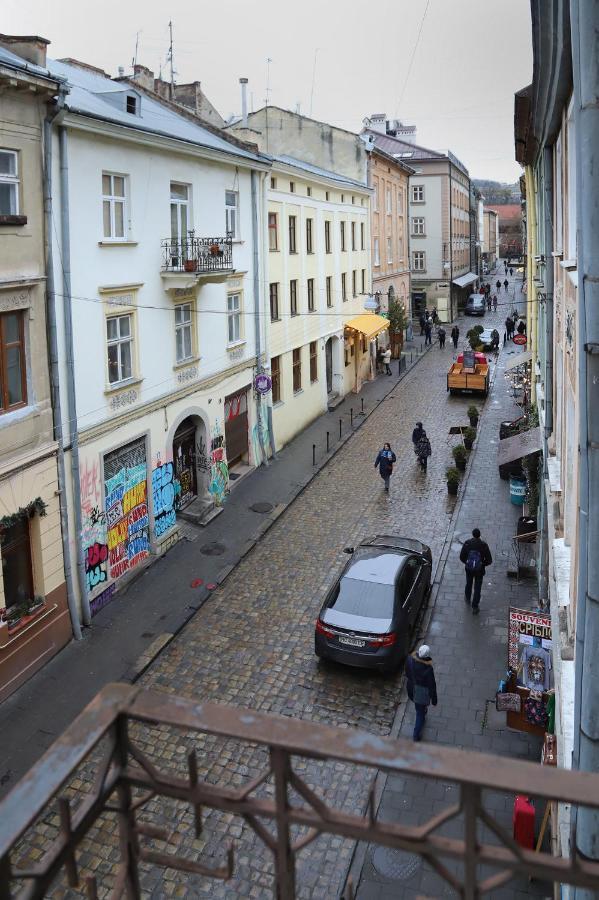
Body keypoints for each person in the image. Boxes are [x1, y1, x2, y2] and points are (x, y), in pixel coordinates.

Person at [405, 644, 437, 742]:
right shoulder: (428, 669)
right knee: (420, 714)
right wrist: (434, 700)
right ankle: (416, 735)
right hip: (421, 693)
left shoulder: (410, 660)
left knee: (418, 707)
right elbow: (432, 686)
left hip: (411, 688)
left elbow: (406, 673)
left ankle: (422, 710)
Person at [459, 528, 493, 614]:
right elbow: (489, 560)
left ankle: (467, 597)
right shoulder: (484, 545)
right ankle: (475, 607)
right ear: (479, 535)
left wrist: (467, 562)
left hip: (469, 569)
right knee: (477, 588)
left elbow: (462, 557)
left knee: (469, 583)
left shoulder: (467, 543)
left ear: (472, 534)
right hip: (479, 570)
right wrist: (482, 564)